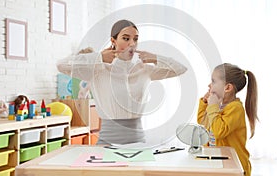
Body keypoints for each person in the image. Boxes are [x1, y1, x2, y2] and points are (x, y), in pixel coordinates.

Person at [57, 19, 187, 145]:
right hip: (106, 143)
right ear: (113, 41)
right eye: (126, 38)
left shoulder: (144, 70)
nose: (132, 43)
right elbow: (61, 65)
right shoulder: (98, 69)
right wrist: (99, 57)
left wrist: (156, 58)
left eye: (135, 39)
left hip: (138, 144)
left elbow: (181, 68)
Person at [197, 63, 258, 176]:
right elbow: (202, 123)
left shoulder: (235, 108)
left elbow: (219, 131)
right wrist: (205, 104)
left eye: (213, 81)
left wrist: (212, 107)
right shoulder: (217, 106)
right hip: (217, 161)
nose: (209, 85)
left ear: (227, 87)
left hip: (235, 166)